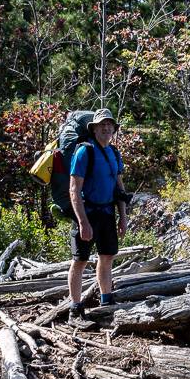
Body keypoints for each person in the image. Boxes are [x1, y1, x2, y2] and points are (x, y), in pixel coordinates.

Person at [67, 109, 128, 318]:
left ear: (113, 129)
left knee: (107, 257)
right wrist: (83, 222)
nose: (106, 128)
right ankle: (75, 307)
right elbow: (74, 189)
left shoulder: (114, 153)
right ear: (93, 128)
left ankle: (106, 299)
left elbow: (119, 189)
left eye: (110, 125)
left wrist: (123, 217)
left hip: (107, 213)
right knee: (80, 260)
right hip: (88, 213)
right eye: (102, 125)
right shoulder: (85, 152)